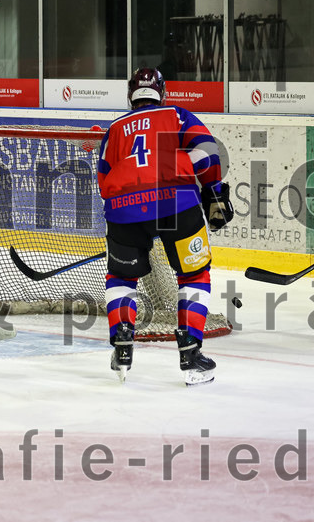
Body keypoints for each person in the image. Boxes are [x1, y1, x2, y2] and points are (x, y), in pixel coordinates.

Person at [97, 68, 233, 386]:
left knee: (121, 278)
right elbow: (207, 154)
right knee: (194, 274)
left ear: (132, 95)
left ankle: (121, 338)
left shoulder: (115, 128)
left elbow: (104, 180)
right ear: (163, 91)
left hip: (123, 212)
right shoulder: (178, 115)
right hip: (177, 205)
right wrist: (211, 190)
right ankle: (190, 352)